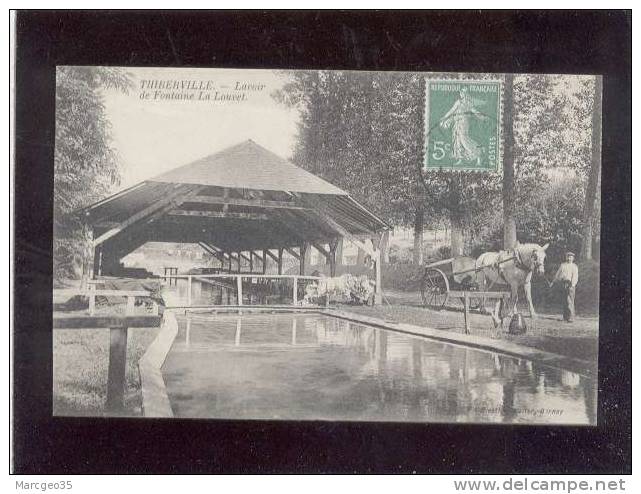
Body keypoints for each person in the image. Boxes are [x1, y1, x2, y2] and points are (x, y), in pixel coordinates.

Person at [549, 251, 579, 322]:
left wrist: (572, 285)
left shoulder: (574, 266)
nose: (569, 258)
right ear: (566, 257)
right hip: (563, 284)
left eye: (570, 257)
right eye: (568, 257)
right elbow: (557, 275)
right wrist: (553, 282)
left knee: (570, 301)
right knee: (564, 301)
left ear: (573, 258)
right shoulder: (563, 265)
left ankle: (571, 317)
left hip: (570, 284)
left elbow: (575, 277)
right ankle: (565, 317)